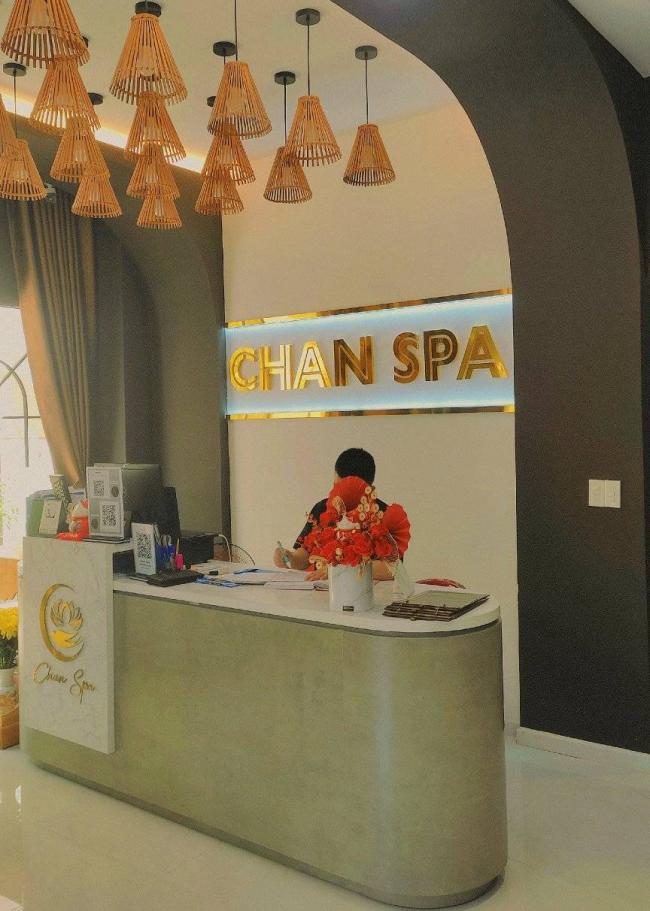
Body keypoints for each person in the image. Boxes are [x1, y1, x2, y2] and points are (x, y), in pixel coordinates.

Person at [273, 448, 394, 581]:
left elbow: (391, 568)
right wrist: (290, 558)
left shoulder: (384, 514)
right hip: (321, 590)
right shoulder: (322, 508)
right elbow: (305, 555)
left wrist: (338, 571)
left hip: (367, 590)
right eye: (336, 486)